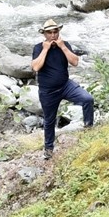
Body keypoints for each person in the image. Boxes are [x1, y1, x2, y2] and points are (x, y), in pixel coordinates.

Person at [31, 18, 94, 159]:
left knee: (87, 99)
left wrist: (63, 47)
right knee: (49, 120)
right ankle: (48, 150)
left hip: (66, 85)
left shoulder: (65, 45)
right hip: (48, 91)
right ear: (44, 34)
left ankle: (89, 129)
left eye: (55, 32)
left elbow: (75, 62)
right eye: (49, 33)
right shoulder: (38, 48)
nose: (53, 35)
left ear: (59, 32)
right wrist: (45, 49)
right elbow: (35, 67)